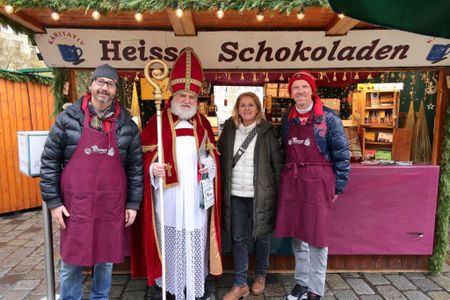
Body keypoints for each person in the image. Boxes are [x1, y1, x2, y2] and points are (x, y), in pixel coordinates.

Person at [40, 63, 144, 300]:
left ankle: (100, 297)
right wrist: (54, 203)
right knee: (72, 261)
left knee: (105, 259)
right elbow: (49, 162)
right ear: (91, 84)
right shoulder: (67, 119)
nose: (104, 88)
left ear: (115, 90)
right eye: (100, 82)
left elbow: (135, 168)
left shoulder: (127, 125)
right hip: (76, 204)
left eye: (110, 84)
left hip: (111, 204)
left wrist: (132, 204)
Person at [131, 47, 222, 300]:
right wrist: (152, 168)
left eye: (191, 97)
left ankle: (193, 287)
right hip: (169, 196)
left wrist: (209, 165)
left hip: (194, 196)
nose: (186, 100)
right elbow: (144, 159)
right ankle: (171, 285)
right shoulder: (156, 122)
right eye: (181, 95)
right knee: (171, 238)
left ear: (196, 100)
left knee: (194, 237)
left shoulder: (203, 124)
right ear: (173, 96)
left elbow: (211, 156)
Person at [274, 71, 350, 300]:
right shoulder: (288, 120)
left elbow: (342, 155)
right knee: (298, 235)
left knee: (317, 237)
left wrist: (337, 187)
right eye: (296, 88)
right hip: (294, 181)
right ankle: (301, 281)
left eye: (304, 87)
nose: (300, 91)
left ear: (312, 90)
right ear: (291, 93)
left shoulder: (329, 119)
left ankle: (316, 288)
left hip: (319, 182)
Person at [218, 92, 283, 299]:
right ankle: (240, 283)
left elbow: (277, 164)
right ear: (237, 108)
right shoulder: (229, 129)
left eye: (251, 105)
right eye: (243, 105)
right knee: (238, 238)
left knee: (262, 236)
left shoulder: (267, 131)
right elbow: (219, 158)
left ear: (258, 108)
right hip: (235, 193)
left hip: (260, 194)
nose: (247, 109)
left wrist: (279, 193)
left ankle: (260, 275)